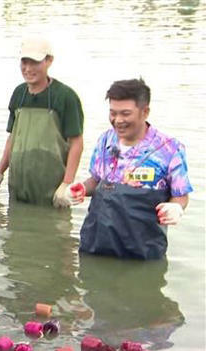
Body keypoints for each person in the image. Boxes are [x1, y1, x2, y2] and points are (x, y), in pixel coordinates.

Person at [67, 78, 193, 259]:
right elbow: (96, 180)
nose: (118, 120)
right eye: (113, 113)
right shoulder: (105, 140)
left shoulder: (169, 149)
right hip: (96, 245)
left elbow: (181, 195)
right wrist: (81, 188)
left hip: (142, 252)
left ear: (145, 112)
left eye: (125, 114)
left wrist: (175, 208)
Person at [0, 36, 85, 208]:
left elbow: (76, 143)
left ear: (49, 61)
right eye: (24, 62)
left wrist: (66, 184)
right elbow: (12, 137)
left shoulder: (65, 96)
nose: (28, 69)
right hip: (18, 186)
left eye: (35, 63)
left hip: (52, 189)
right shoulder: (19, 94)